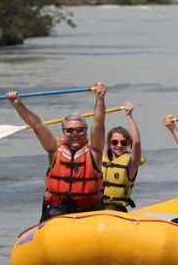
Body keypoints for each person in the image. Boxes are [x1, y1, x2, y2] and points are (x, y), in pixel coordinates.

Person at [6, 82, 106, 222]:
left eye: (80, 129)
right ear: (63, 132)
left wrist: (100, 98)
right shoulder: (54, 148)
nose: (75, 133)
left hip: (91, 211)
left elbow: (98, 123)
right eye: (70, 130)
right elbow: (36, 124)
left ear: (86, 131)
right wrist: (18, 105)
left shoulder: (94, 150)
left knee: (110, 210)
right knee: (53, 213)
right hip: (59, 212)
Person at [101, 102, 144, 212]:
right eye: (115, 142)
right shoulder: (99, 158)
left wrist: (129, 115)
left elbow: (137, 142)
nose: (119, 145)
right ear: (109, 143)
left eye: (123, 143)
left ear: (128, 144)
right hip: (98, 205)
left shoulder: (132, 163)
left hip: (116, 209)